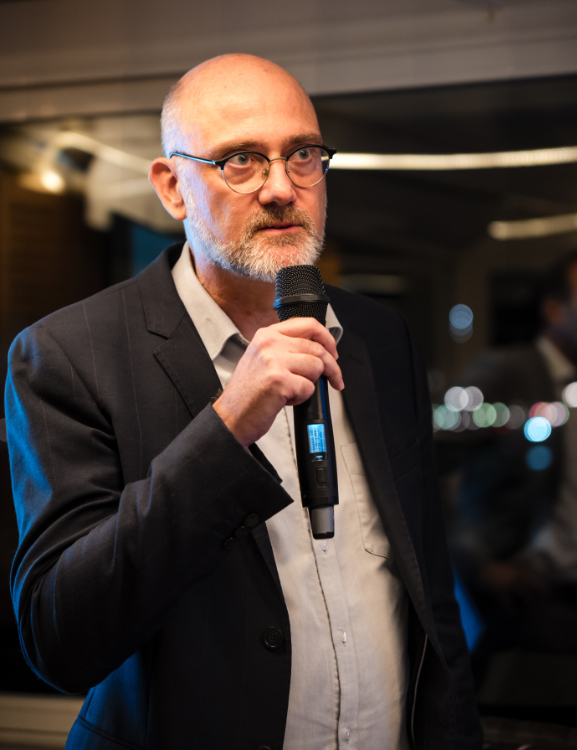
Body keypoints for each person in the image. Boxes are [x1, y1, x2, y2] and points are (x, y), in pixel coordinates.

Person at [4, 54, 481, 750]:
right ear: (172, 188)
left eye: (303, 155)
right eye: (241, 161)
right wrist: (225, 430)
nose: (282, 188)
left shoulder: (379, 336)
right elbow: (61, 639)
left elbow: (427, 591)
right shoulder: (68, 355)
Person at [440, 252, 577, 655]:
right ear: (554, 310)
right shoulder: (507, 371)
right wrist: (479, 563)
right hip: (530, 594)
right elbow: (424, 462)